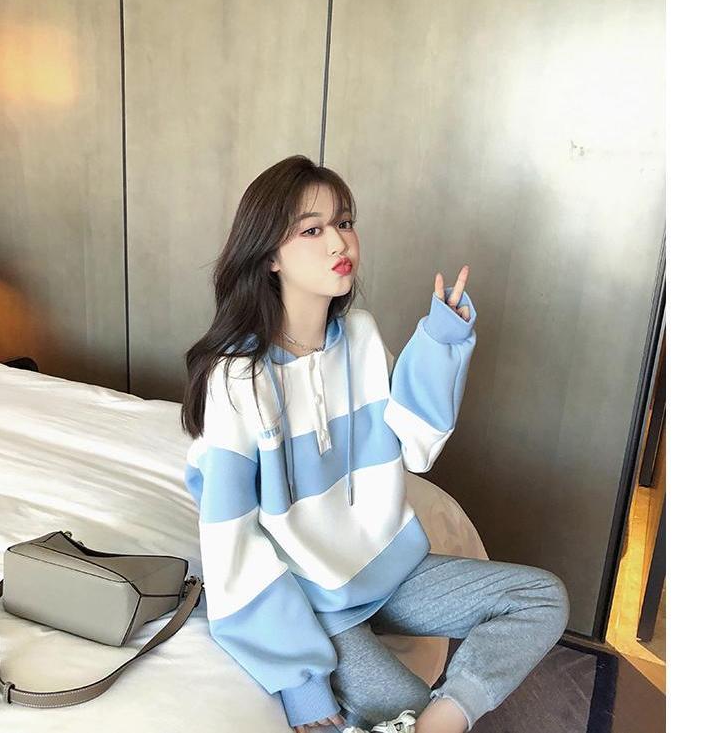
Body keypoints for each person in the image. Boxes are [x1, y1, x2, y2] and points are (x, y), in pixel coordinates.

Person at [182, 154, 569, 732]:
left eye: (344, 222)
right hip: (314, 599)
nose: (339, 241)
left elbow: (415, 447)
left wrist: (440, 343)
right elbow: (232, 545)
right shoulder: (239, 378)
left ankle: (447, 717)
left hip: (390, 572)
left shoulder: (360, 336)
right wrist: (302, 683)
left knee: (543, 597)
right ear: (268, 256)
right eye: (312, 230)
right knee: (400, 704)